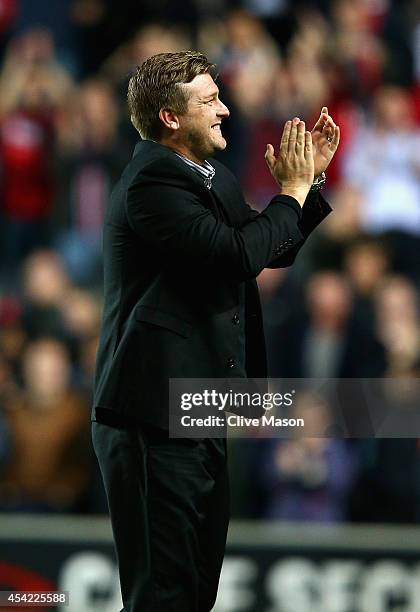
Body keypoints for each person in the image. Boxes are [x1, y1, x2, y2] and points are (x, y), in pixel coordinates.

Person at [91, 51, 340, 612]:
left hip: (195, 412)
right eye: (208, 101)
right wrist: (291, 193)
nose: (225, 109)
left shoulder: (208, 176)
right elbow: (239, 254)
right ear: (170, 119)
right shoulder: (152, 180)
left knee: (196, 593)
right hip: (150, 418)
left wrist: (310, 181)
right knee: (165, 596)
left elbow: (268, 248)